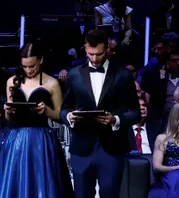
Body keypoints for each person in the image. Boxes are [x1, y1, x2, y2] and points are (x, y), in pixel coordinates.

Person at [61, 29, 142, 198]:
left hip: (112, 148)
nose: (94, 59)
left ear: (107, 49)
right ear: (85, 48)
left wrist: (115, 120)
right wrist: (69, 116)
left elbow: (135, 112)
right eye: (90, 54)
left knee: (110, 194)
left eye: (99, 54)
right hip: (82, 148)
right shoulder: (74, 74)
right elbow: (64, 109)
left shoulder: (123, 75)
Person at [0, 43, 73, 198]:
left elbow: (59, 115)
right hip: (17, 138)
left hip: (41, 139)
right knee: (16, 180)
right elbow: (8, 119)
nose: (28, 70)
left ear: (40, 60)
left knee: (41, 180)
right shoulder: (12, 82)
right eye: (25, 67)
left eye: (32, 66)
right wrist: (8, 111)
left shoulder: (52, 83)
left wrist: (46, 110)